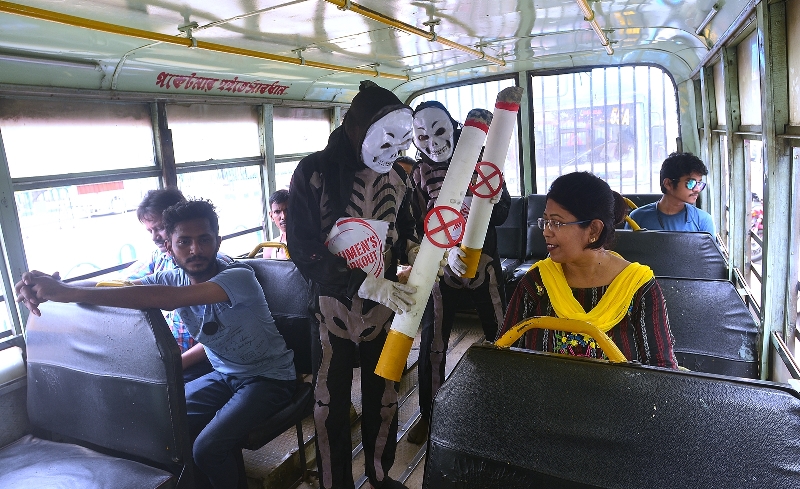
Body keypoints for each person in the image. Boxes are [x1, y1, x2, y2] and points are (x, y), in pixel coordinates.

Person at [16, 199, 297, 489]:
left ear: (218, 241)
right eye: (184, 242)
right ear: (170, 247)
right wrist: (59, 287)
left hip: (269, 379)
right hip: (224, 375)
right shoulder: (174, 277)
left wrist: (68, 293)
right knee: (164, 426)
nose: (195, 250)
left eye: (204, 239)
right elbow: (119, 287)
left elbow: (164, 298)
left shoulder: (238, 277)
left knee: (207, 449)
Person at [287, 80, 418, 489]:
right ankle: (334, 483)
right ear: (355, 128)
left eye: (403, 140)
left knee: (385, 396)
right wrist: (361, 282)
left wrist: (418, 251)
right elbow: (302, 246)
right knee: (329, 404)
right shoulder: (314, 173)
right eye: (386, 139)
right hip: (332, 310)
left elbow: (405, 229)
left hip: (383, 307)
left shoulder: (399, 176)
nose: (394, 150)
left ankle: (379, 472)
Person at [406, 101, 510, 444]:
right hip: (439, 269)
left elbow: (503, 212)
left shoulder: (483, 160)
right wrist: (432, 250)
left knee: (501, 335)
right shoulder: (418, 175)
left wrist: (493, 198)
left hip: (484, 263)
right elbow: (415, 223)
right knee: (432, 344)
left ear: (453, 127)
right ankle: (430, 415)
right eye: (422, 136)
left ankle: (505, 407)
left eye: (438, 131)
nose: (433, 143)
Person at [498, 172, 678, 369]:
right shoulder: (537, 281)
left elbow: (661, 368)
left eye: (557, 223)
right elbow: (503, 355)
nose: (546, 232)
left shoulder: (638, 288)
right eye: (545, 221)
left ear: (594, 230)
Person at [121, 187, 214, 382]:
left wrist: (175, 365)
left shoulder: (207, 265)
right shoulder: (159, 258)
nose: (154, 237)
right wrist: (68, 289)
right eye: (150, 230)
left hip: (200, 360)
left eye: (160, 228)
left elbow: (217, 338)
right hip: (170, 354)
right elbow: (121, 284)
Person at [626, 152, 715, 233]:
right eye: (691, 183)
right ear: (668, 184)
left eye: (699, 183)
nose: (697, 189)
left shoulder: (703, 220)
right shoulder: (637, 218)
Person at [265, 189, 289, 259]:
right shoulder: (269, 249)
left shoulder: (308, 245)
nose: (283, 217)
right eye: (277, 212)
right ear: (271, 216)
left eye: (287, 210)